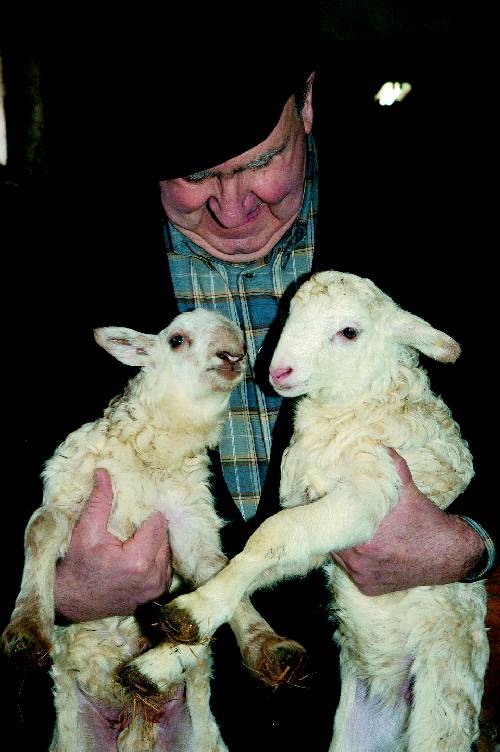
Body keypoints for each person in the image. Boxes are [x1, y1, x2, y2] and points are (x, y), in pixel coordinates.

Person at [2, 13, 496, 752]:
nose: (232, 210)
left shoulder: (438, 216)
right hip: (155, 712)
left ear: (307, 102)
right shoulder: (49, 262)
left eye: (262, 162)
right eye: (194, 176)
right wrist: (60, 594)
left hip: (378, 706)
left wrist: (470, 546)